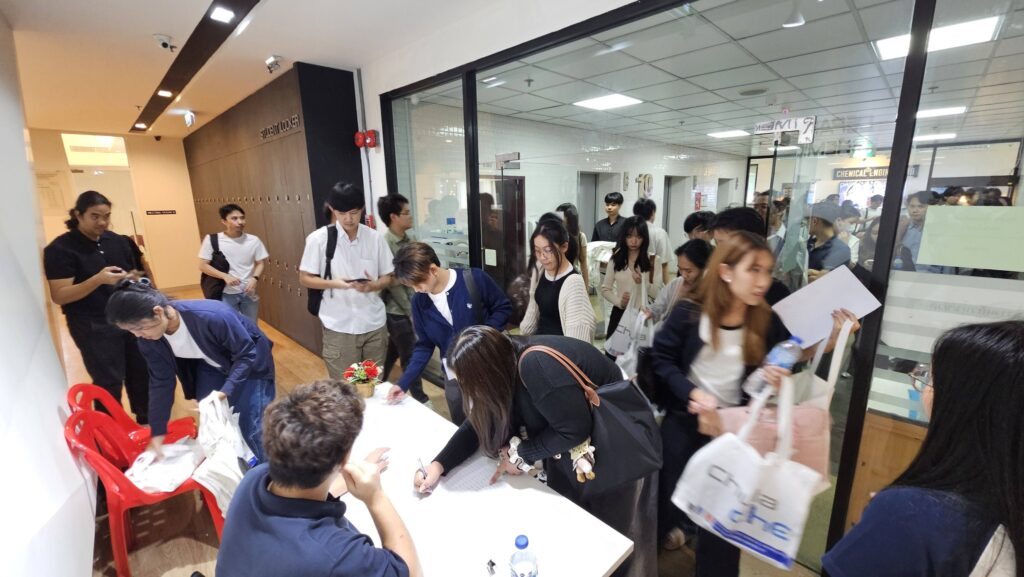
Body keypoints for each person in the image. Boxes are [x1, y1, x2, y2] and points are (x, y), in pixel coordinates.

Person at [651, 232, 857, 573]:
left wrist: (832, 340)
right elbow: (662, 358)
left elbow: (786, 355)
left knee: (722, 524)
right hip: (684, 425)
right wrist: (691, 393)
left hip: (735, 431)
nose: (763, 281)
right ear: (726, 271)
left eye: (768, 271)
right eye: (754, 270)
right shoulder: (690, 311)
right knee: (666, 505)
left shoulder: (763, 319)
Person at [413, 326, 658, 577]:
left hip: (613, 447)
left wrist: (522, 455)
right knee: (576, 526)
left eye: (468, 384)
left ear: (486, 376)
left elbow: (574, 430)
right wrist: (439, 465)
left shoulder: (535, 365)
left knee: (615, 541)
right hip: (570, 449)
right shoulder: (504, 366)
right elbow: (477, 422)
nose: (467, 392)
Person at [823, 321, 1022, 577]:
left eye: (932, 378)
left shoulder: (914, 517)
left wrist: (898, 517)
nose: (923, 388)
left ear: (963, 403)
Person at [217, 380, 422, 577]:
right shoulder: (335, 555)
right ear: (345, 458)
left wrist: (347, 478)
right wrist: (376, 497)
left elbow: (301, 499)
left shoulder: (255, 478)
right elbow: (411, 572)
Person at [105, 281, 275, 462]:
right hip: (211, 363)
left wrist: (226, 390)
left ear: (158, 311)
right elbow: (161, 382)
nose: (138, 335)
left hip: (250, 363)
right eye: (130, 331)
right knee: (211, 419)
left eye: (139, 327)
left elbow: (246, 354)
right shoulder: (148, 340)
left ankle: (269, 471)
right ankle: (234, 463)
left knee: (251, 424)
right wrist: (157, 434)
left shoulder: (213, 315)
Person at [44, 190, 152, 424]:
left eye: (106, 216)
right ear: (78, 215)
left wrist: (135, 282)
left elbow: (135, 273)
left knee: (140, 371)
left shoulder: (118, 241)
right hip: (92, 324)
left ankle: (146, 421)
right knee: (108, 379)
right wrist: (97, 280)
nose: (102, 222)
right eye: (95, 216)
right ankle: (110, 430)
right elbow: (60, 295)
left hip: (130, 318)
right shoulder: (60, 249)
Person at [386, 242, 512, 425]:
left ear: (433, 269)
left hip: (487, 366)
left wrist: (483, 336)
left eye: (419, 283)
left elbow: (503, 308)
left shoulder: (474, 279)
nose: (416, 289)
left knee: (497, 420)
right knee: (461, 424)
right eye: (411, 285)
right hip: (454, 376)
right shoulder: (419, 302)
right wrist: (403, 382)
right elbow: (424, 346)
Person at [299, 183, 394, 380]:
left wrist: (374, 285)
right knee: (346, 389)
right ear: (333, 210)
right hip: (339, 326)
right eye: (342, 213)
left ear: (362, 209)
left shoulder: (375, 238)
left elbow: (389, 275)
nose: (348, 219)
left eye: (354, 212)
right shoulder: (318, 239)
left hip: (374, 324)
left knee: (372, 385)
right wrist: (335, 283)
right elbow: (305, 278)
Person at [376, 194, 430, 406]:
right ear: (393, 217)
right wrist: (410, 311)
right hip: (397, 310)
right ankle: (421, 399)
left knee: (392, 351)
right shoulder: (385, 243)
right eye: (406, 213)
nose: (410, 216)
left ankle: (376, 385)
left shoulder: (410, 240)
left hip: (411, 305)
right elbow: (394, 284)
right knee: (410, 355)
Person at [520, 214, 595, 342]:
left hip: (558, 349)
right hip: (539, 343)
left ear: (564, 247)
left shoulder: (573, 283)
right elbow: (532, 311)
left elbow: (577, 343)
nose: (542, 257)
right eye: (537, 251)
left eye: (548, 250)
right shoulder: (540, 269)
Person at [198, 203, 269, 322]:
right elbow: (203, 265)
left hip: (248, 291)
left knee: (251, 325)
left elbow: (260, 263)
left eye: (242, 218)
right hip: (224, 292)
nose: (240, 222)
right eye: (234, 218)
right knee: (231, 325)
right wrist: (225, 276)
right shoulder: (212, 240)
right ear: (224, 221)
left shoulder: (253, 240)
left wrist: (254, 278)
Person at [707, 207, 791, 305]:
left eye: (724, 244)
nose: (718, 252)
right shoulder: (715, 285)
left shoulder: (777, 295)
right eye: (717, 243)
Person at [600, 216, 661, 340]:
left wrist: (643, 283)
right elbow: (605, 289)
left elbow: (657, 293)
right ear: (624, 237)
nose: (634, 241)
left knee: (640, 351)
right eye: (629, 236)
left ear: (644, 238)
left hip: (643, 315)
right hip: (620, 314)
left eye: (638, 237)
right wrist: (619, 302)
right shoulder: (616, 259)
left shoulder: (653, 261)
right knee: (614, 351)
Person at [647, 239, 711, 326]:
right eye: (680, 269)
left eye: (688, 271)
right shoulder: (675, 284)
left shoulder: (713, 291)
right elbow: (658, 308)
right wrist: (649, 313)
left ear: (704, 268)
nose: (683, 275)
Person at [807, 202, 852, 282]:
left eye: (807, 220)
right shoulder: (809, 242)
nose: (805, 224)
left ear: (814, 221)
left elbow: (826, 281)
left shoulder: (840, 249)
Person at [895, 191, 939, 273]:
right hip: (906, 274)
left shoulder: (938, 229)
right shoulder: (903, 227)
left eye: (921, 206)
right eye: (912, 206)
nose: (915, 210)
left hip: (932, 276)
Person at [633, 198, 672, 284]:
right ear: (653, 213)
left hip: (632, 278)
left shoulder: (629, 231)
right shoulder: (660, 233)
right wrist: (668, 288)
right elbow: (664, 264)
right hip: (653, 281)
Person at [556, 202, 590, 290]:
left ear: (570, 218)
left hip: (572, 279)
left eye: (561, 215)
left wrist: (586, 288)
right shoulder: (553, 236)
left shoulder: (580, 236)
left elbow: (583, 263)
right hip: (555, 277)